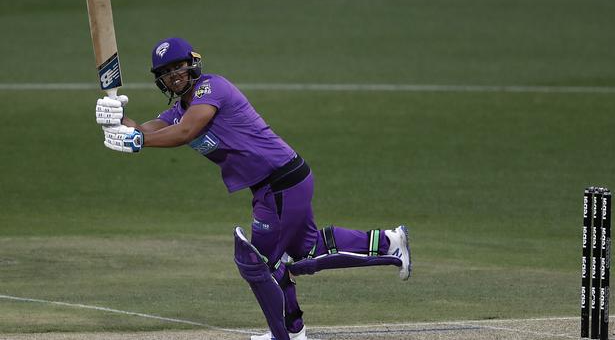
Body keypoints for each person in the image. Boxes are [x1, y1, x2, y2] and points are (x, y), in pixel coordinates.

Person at [95, 37, 411, 340]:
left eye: (177, 67)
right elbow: (149, 128)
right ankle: (390, 243)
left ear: (193, 64)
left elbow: (185, 132)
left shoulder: (211, 89)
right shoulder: (179, 110)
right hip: (275, 185)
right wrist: (117, 119)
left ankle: (285, 333)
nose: (173, 76)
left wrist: (137, 141)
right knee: (306, 251)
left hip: (281, 182)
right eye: (165, 72)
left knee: (260, 263)